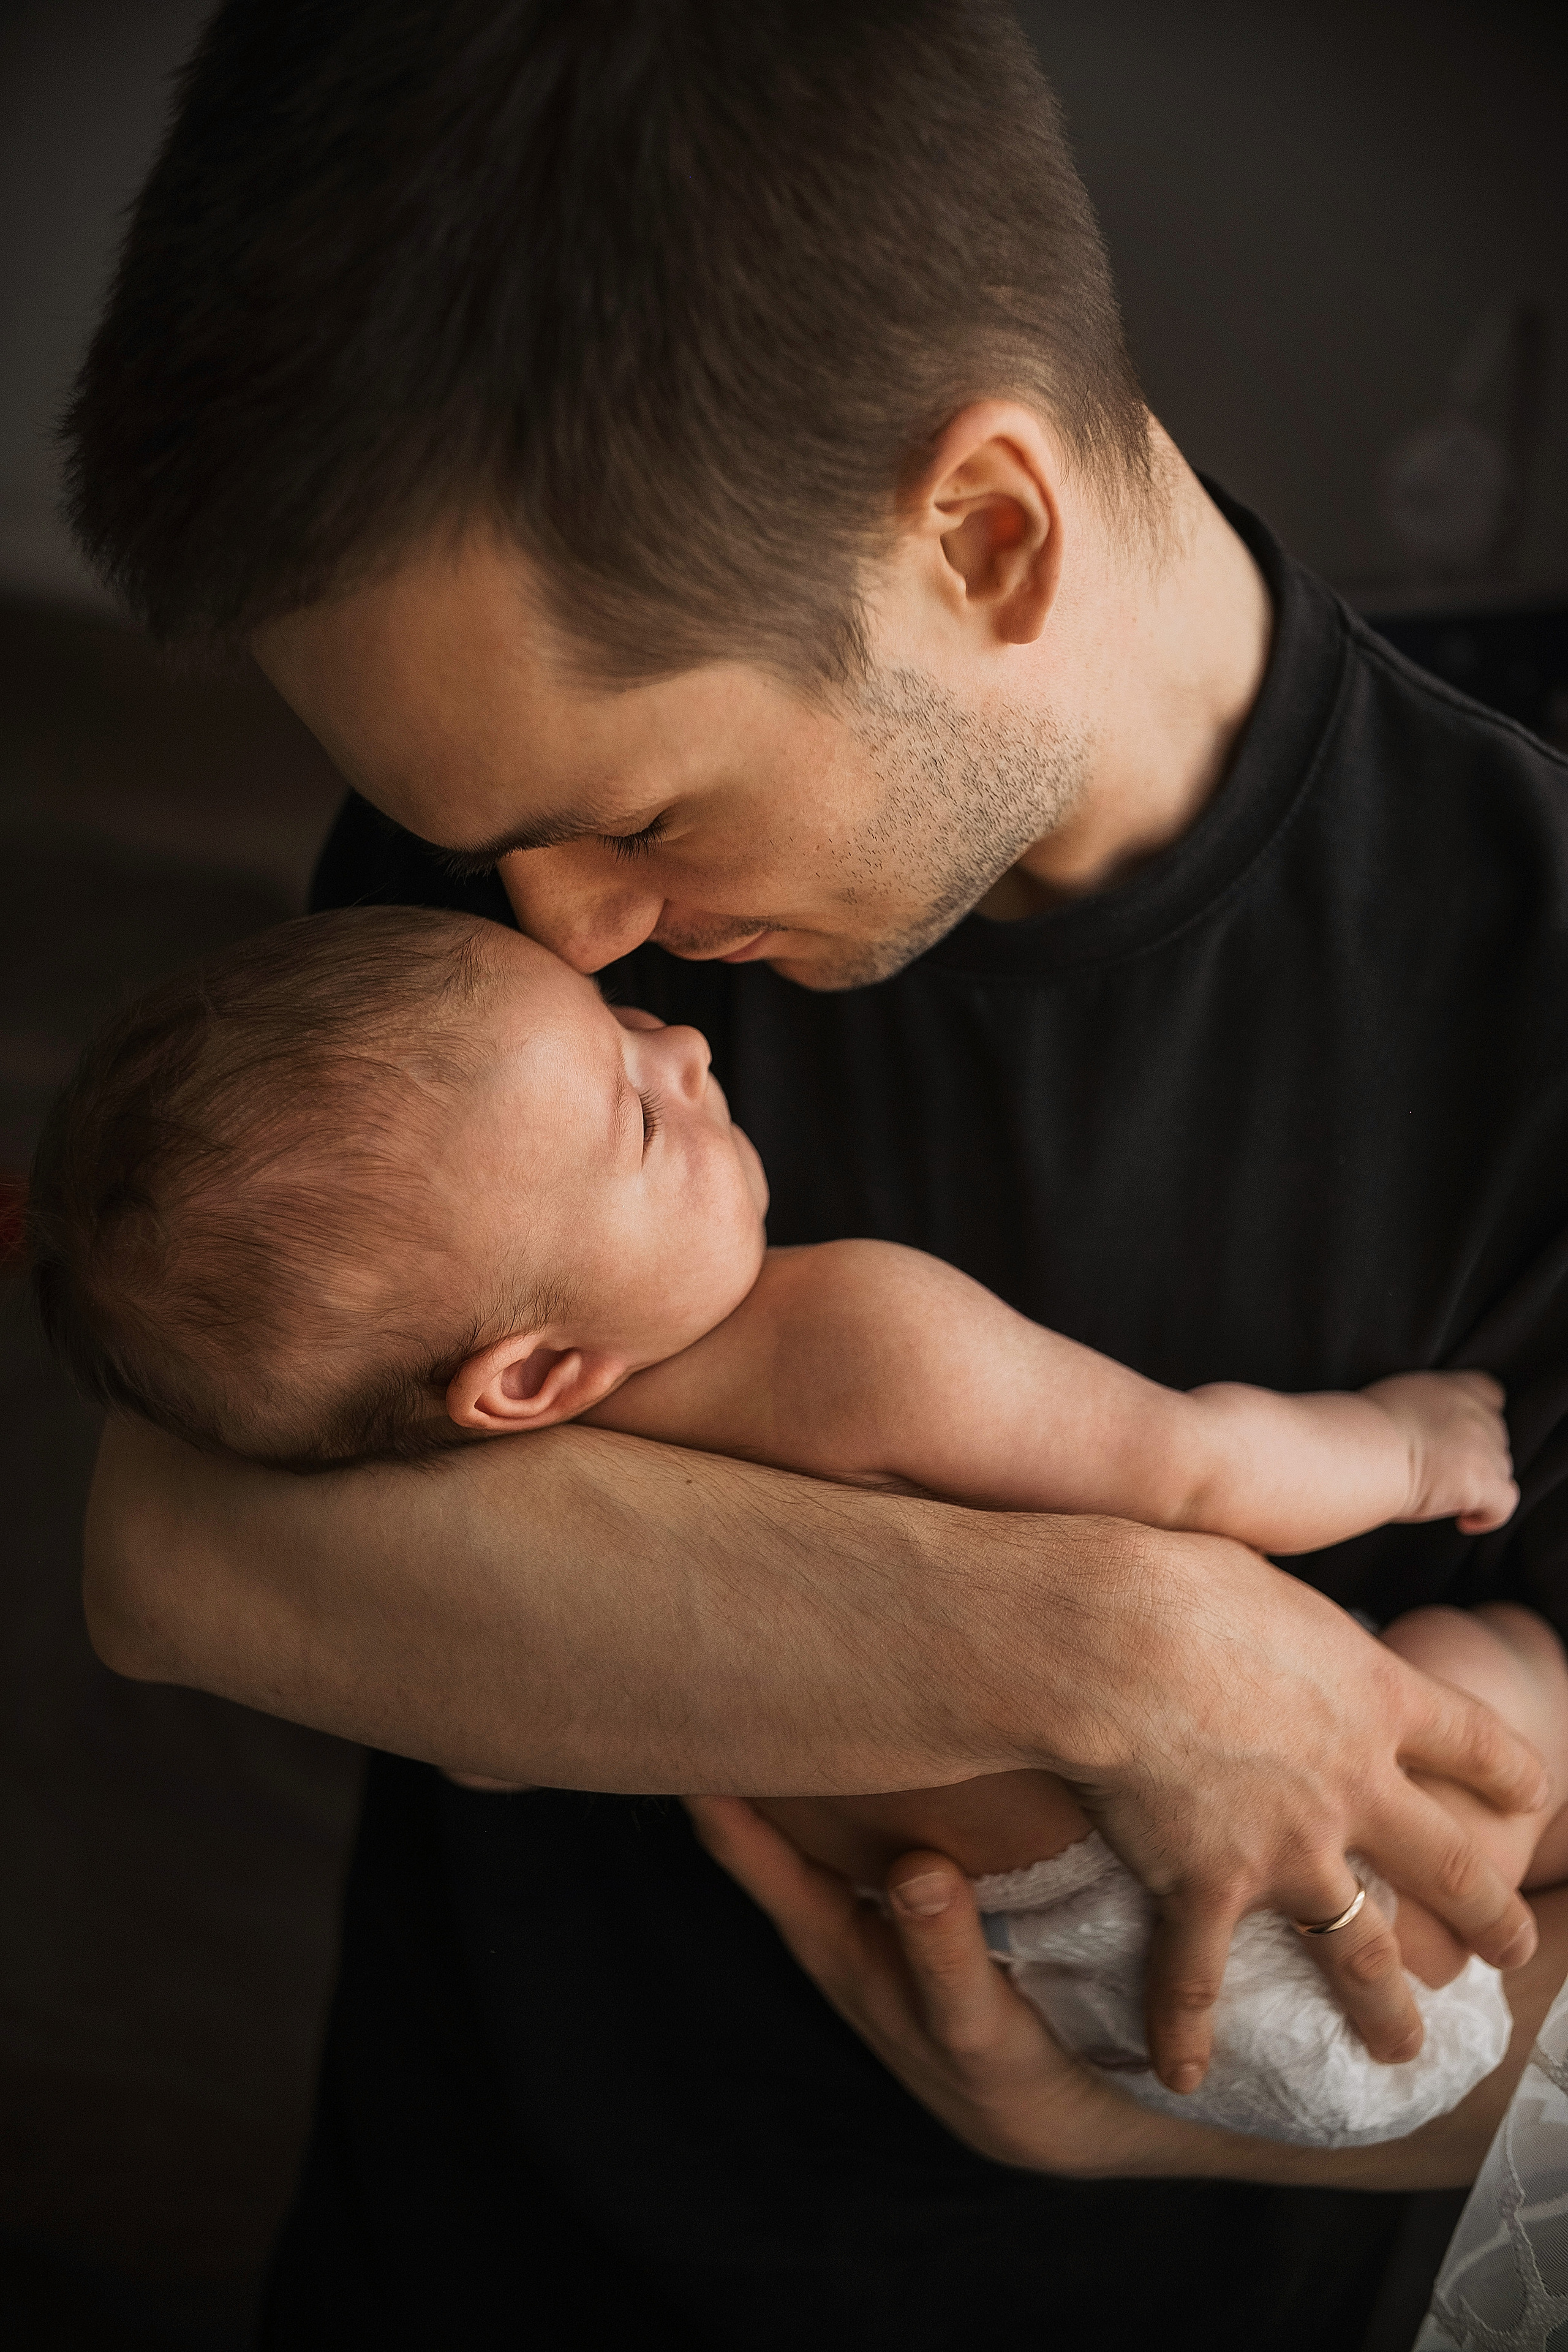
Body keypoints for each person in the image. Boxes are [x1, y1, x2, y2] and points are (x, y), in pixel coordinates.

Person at [60, 1, 1568, 2342]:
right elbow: (186, 1549)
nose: (550, 936)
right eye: (484, 841)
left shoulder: (1530, 993)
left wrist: (1121, 2120)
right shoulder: (516, 873)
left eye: (640, 818)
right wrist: (1136, 1645)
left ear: (984, 532)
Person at [28, 900, 1568, 2153]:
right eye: (636, 1115)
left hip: (1115, 2022)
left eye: (628, 1022)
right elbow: (1192, 1471)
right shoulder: (853, 1338)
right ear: (535, 1373)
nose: (684, 1042)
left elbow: (485, 1747)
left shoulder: (504, 1587)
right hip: (1303, 1913)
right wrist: (1400, 1444)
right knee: (1489, 1671)